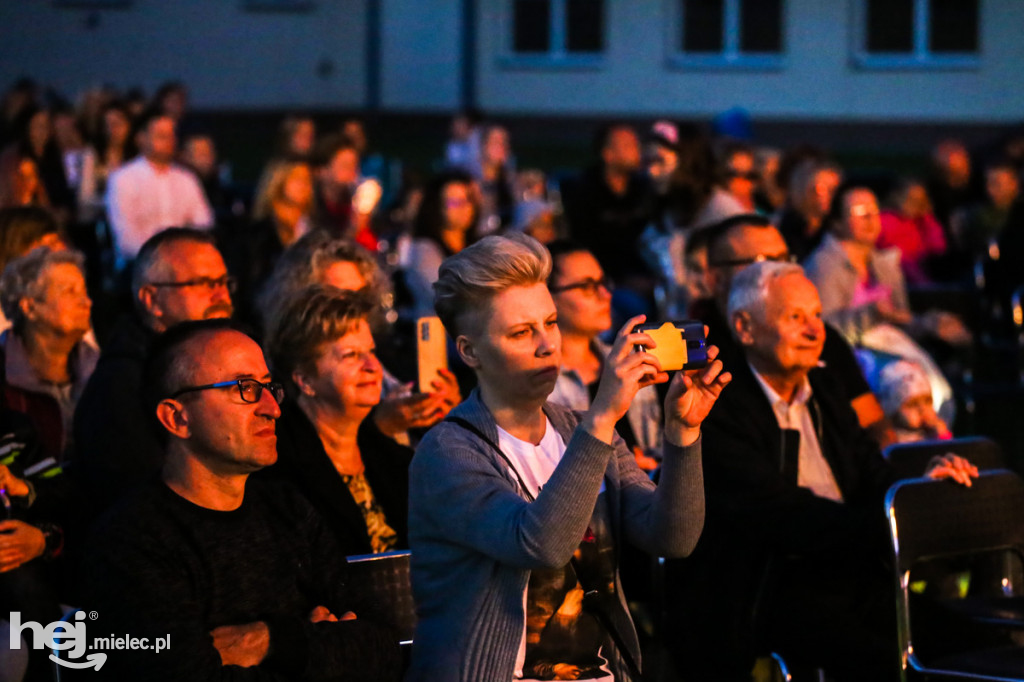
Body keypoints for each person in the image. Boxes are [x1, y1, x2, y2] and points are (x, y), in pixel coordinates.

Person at [406, 233, 730, 681]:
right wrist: (601, 418)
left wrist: (683, 434)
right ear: (469, 351)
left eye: (551, 322)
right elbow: (542, 544)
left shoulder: (578, 429)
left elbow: (672, 537)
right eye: (521, 332)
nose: (547, 345)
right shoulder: (448, 451)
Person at [667, 261, 976, 681]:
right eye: (796, 318)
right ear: (745, 327)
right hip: (768, 587)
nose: (816, 332)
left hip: (850, 569)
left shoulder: (826, 389)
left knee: (969, 646)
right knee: (896, 664)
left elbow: (871, 472)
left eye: (817, 316)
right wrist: (881, 523)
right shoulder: (718, 405)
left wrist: (920, 489)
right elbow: (781, 516)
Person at [82, 320, 401, 680]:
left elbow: (386, 648)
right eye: (244, 388)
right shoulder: (132, 543)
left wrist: (270, 640)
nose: (272, 408)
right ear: (177, 417)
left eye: (269, 387)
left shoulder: (288, 509)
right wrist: (322, 648)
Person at [73, 228, 234, 507]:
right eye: (205, 283)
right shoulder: (121, 388)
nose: (221, 296)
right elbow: (140, 496)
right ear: (152, 300)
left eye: (223, 282)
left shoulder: (234, 355)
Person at [259, 232, 460, 442]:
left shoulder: (392, 353)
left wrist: (446, 414)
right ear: (303, 305)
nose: (355, 308)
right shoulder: (284, 383)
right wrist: (383, 426)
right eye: (340, 298)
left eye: (362, 295)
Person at [264, 286, 414, 555]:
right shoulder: (277, 465)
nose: (372, 366)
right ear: (305, 380)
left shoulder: (394, 458)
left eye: (371, 351)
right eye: (351, 356)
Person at [803, 186, 969, 421]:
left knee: (927, 384)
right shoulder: (824, 267)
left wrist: (930, 323)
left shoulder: (885, 264)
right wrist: (871, 314)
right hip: (851, 361)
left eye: (874, 210)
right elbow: (824, 331)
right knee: (906, 385)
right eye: (860, 213)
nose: (871, 219)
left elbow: (900, 321)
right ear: (837, 223)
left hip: (893, 351)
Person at [546, 241, 662, 470]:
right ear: (548, 298)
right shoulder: (541, 381)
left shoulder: (629, 359)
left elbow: (655, 447)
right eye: (587, 286)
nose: (605, 294)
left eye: (603, 282)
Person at [0, 247, 95, 461]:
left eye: (84, 292)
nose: (86, 302)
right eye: (70, 292)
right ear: (30, 307)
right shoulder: (4, 376)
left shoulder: (102, 370)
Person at [106, 111, 213, 263]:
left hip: (184, 262)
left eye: (172, 135)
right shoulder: (123, 179)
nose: (170, 141)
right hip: (138, 264)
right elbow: (126, 238)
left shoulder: (186, 179)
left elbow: (203, 223)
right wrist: (161, 259)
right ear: (141, 139)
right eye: (162, 136)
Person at [402, 169, 479, 319]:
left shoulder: (478, 247)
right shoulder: (424, 250)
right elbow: (442, 293)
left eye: (468, 199)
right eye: (454, 202)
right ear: (438, 206)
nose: (464, 207)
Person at [0, 206, 64, 332]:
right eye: (52, 243)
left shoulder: (68, 298)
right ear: (19, 249)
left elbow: (88, 349)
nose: (62, 250)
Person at [877, 177, 947, 285]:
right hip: (897, 273)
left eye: (920, 200)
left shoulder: (922, 221)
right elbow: (890, 250)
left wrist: (927, 217)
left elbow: (938, 247)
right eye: (910, 198)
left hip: (924, 269)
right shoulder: (885, 219)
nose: (915, 204)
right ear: (897, 197)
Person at [777, 159, 842, 262]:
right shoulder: (783, 227)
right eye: (821, 188)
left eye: (834, 189)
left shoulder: (839, 228)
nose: (830, 195)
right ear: (803, 190)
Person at [877, 360, 952, 443]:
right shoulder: (890, 441)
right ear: (892, 410)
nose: (922, 409)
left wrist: (943, 436)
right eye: (912, 404)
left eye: (927, 400)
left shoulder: (934, 434)